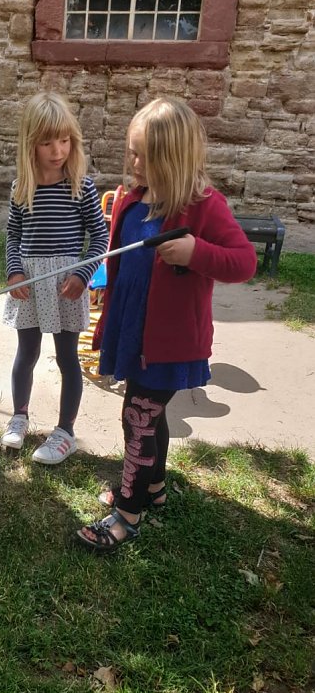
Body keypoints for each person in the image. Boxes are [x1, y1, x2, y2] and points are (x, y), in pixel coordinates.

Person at [76, 97, 258, 553]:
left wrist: (197, 252)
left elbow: (243, 263)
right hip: (133, 331)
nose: (133, 162)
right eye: (131, 151)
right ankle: (153, 489)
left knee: (135, 417)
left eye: (144, 156)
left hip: (170, 341)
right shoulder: (132, 201)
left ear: (173, 158)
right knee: (150, 416)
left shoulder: (202, 206)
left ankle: (127, 514)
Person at [0, 92, 109, 464]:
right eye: (47, 142)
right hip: (28, 285)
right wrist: (14, 270)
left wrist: (82, 273)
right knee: (26, 353)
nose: (57, 150)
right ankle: (19, 416)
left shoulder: (82, 187)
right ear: (31, 144)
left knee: (67, 358)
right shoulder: (21, 188)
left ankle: (65, 431)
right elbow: (14, 235)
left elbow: (101, 237)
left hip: (66, 285)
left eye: (64, 140)